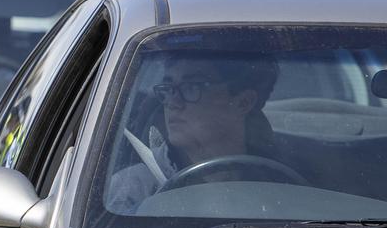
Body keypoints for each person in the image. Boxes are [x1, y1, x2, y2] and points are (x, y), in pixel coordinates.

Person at [106, 50, 281, 213]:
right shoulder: (132, 190)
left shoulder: (282, 181)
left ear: (244, 102)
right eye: (168, 88)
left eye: (192, 87)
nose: (172, 102)